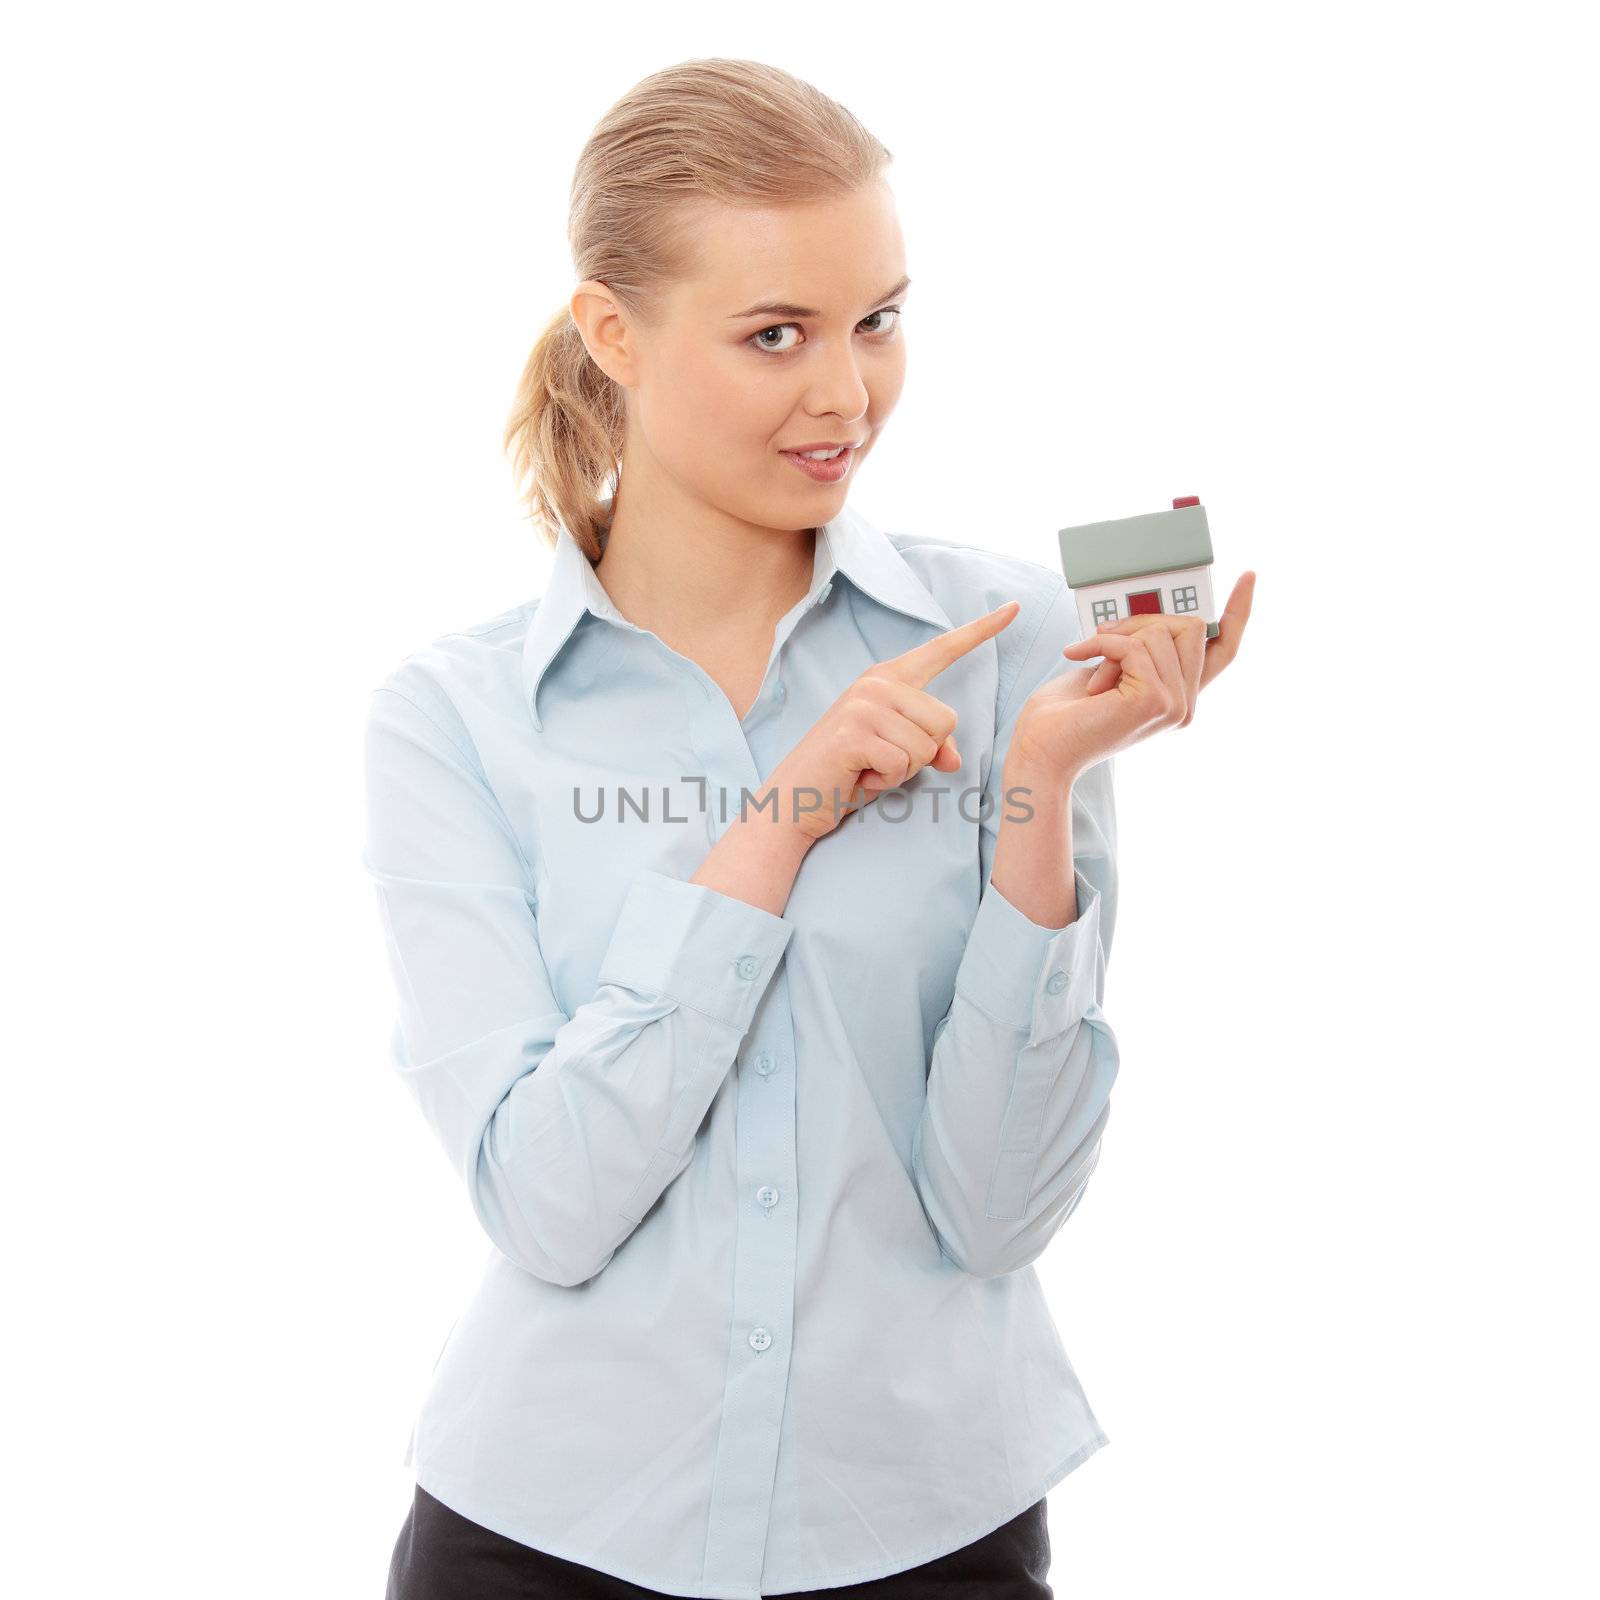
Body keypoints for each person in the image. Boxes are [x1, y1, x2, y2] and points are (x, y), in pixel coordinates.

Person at [363, 56, 1255, 1600]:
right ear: (611, 333)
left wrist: (1035, 787)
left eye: (879, 319)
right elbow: (549, 1204)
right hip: (552, 1531)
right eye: (777, 334)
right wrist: (781, 824)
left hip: (925, 1526)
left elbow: (996, 1213)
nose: (847, 393)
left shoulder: (1016, 642)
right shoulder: (453, 717)